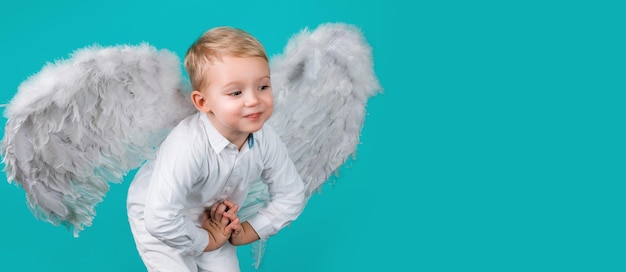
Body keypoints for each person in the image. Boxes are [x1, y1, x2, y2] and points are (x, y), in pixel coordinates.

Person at [126, 26, 306, 272]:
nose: (253, 100)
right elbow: (159, 218)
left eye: (263, 87)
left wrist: (247, 231)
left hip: (212, 216)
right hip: (157, 213)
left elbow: (292, 194)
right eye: (236, 92)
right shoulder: (187, 145)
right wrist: (206, 241)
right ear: (203, 102)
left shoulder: (265, 138)